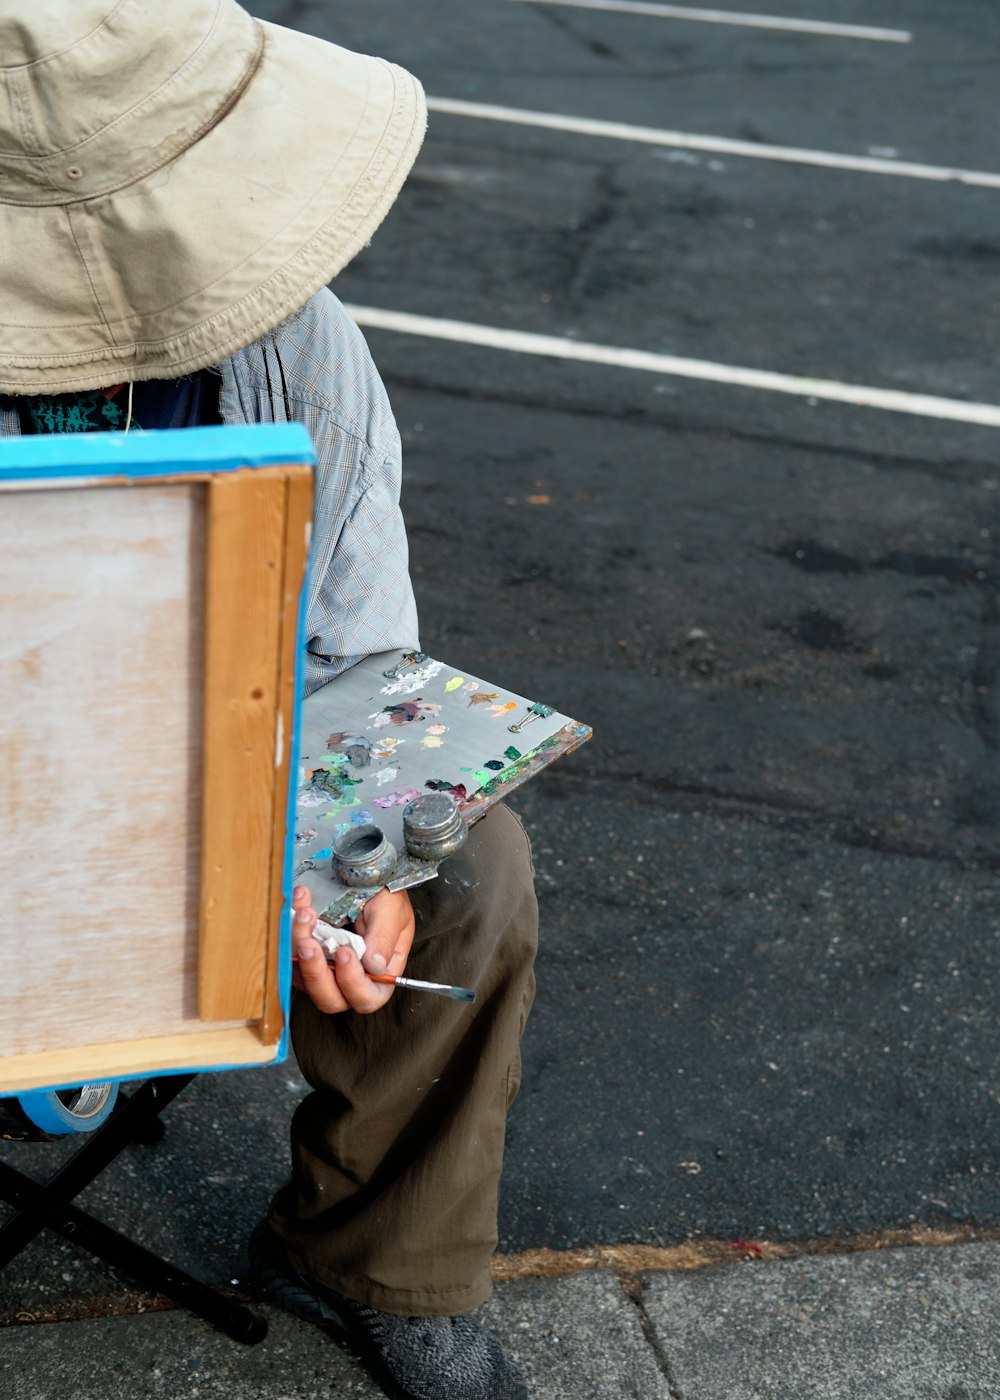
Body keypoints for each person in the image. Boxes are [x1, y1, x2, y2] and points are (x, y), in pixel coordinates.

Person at [0, 5, 537, 1398]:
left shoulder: (300, 347)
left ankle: (373, 1252)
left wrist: (352, 884)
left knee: (476, 866)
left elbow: (368, 684)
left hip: (210, 791)